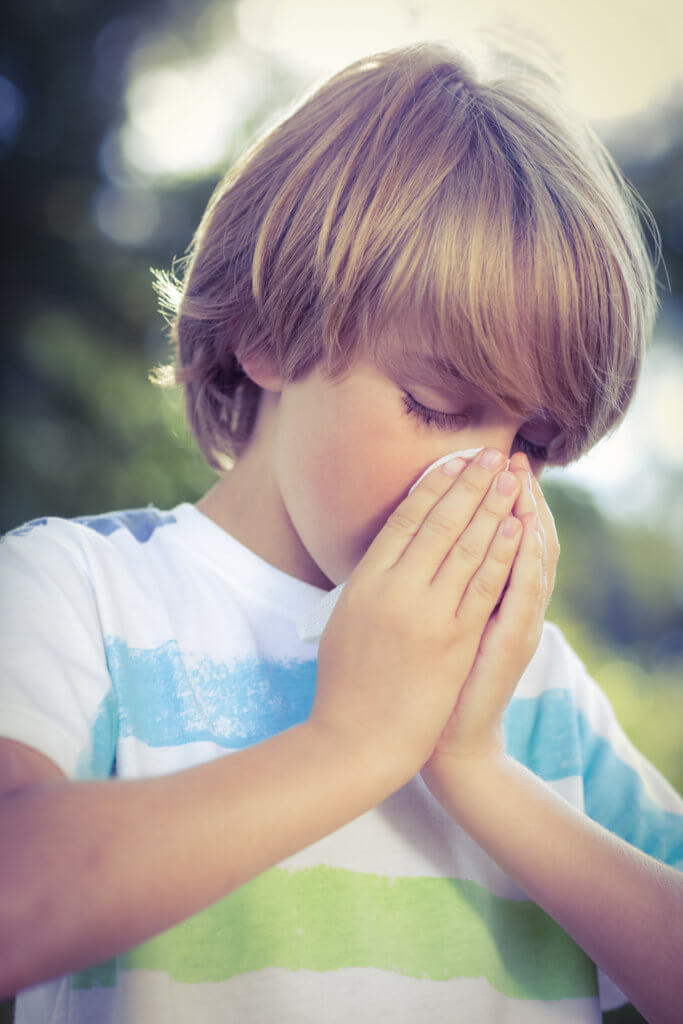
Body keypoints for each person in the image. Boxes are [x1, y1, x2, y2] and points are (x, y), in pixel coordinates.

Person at [1, 32, 681, 1024]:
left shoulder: (523, 689)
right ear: (271, 331)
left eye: (531, 440)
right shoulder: (78, 594)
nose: (483, 477)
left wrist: (472, 766)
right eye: (438, 406)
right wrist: (352, 742)